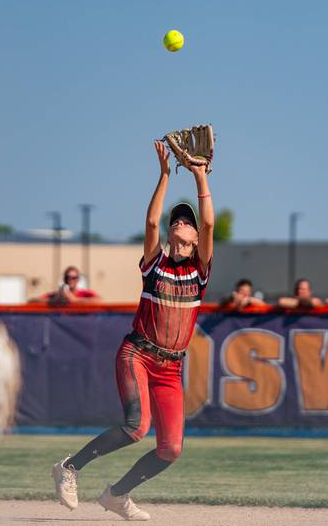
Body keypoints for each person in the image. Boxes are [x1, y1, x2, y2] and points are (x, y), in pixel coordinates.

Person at [52, 140, 214, 520]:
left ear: (194, 242)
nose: (183, 222)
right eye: (179, 219)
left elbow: (209, 221)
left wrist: (199, 175)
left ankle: (116, 495)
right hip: (137, 354)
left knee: (171, 448)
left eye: (187, 220)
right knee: (137, 426)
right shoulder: (155, 264)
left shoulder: (199, 272)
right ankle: (69, 467)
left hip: (171, 369)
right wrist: (162, 175)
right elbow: (150, 222)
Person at [34, 266, 100, 304]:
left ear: (78, 279)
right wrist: (54, 300)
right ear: (64, 279)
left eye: (74, 278)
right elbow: (33, 301)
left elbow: (99, 300)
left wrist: (76, 300)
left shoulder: (84, 293)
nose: (70, 280)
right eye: (67, 277)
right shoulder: (57, 295)